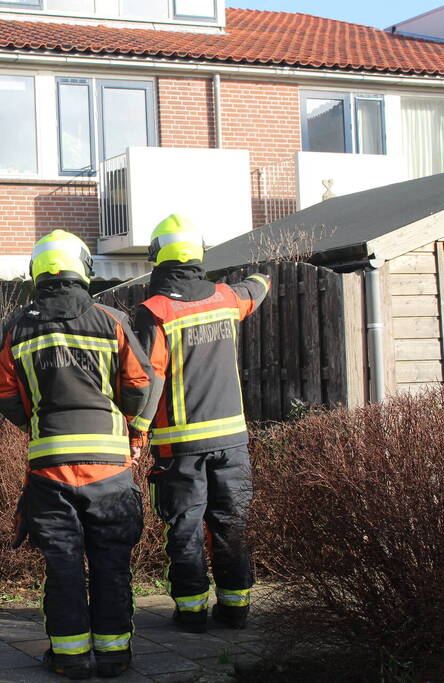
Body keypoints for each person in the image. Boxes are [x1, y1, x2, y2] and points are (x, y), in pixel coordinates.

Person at [0, 230, 157, 679]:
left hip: (49, 469)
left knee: (62, 566)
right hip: (110, 468)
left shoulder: (18, 328)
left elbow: (2, 391)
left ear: (37, 272)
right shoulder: (111, 319)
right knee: (112, 564)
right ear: (83, 268)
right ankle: (115, 656)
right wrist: (125, 423)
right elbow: (141, 384)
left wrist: (35, 422)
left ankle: (70, 659)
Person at [133, 214, 270, 634]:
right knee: (232, 522)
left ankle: (191, 612)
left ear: (157, 258)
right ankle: (236, 609)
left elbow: (147, 379)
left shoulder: (154, 311)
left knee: (185, 527)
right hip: (232, 440)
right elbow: (260, 285)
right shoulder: (229, 299)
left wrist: (136, 433)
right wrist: (260, 276)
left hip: (179, 448)